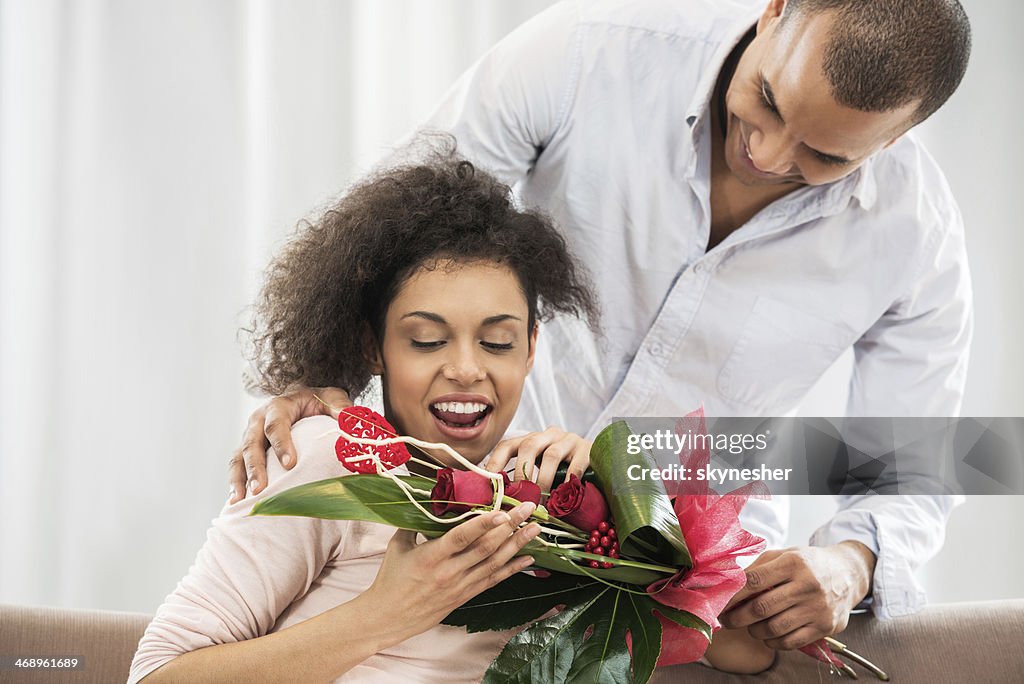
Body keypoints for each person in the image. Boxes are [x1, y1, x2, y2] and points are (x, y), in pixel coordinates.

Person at [228, 0, 972, 654]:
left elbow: (918, 456)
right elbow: (408, 219)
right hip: (467, 516)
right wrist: (320, 376)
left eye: (825, 154)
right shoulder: (595, 48)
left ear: (899, 138)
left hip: (685, 596)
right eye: (768, 101)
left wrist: (850, 565)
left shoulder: (915, 235)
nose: (767, 154)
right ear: (774, 11)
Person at [130, 151, 774, 683]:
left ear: (530, 350)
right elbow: (156, 675)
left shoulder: (555, 490)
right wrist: (389, 612)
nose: (466, 369)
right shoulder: (328, 456)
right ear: (370, 347)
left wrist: (615, 504)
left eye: (496, 342)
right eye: (427, 340)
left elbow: (747, 653)